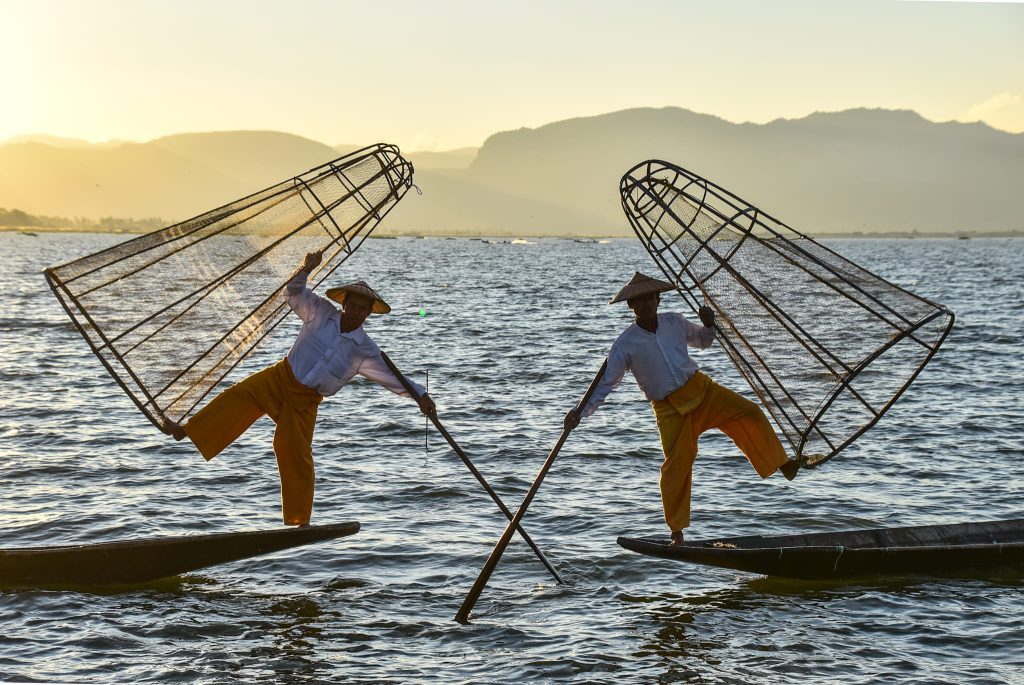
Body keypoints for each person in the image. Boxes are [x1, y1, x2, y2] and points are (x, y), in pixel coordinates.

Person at [166, 250, 435, 526]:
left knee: (293, 452)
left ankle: (299, 521)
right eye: (353, 306)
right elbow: (293, 292)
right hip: (281, 377)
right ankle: (186, 431)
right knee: (236, 397)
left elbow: (393, 377)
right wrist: (306, 268)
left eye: (363, 309)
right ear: (345, 304)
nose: (356, 312)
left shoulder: (364, 349)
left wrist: (421, 396)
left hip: (305, 402)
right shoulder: (319, 311)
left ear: (368, 313)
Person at [563, 272, 798, 545]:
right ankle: (677, 532)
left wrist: (709, 325)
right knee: (675, 467)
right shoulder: (624, 344)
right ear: (631, 307)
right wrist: (579, 413)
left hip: (702, 390)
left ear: (658, 299)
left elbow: (702, 340)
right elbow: (606, 384)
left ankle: (781, 462)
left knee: (751, 413)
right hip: (669, 409)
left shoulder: (674, 321)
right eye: (639, 301)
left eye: (649, 298)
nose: (645, 305)